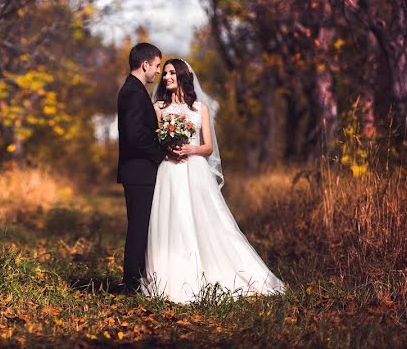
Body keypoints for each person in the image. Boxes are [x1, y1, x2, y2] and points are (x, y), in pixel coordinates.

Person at [143, 58, 286, 302]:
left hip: (195, 170)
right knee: (173, 218)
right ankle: (171, 275)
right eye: (164, 73)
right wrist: (169, 149)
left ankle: (217, 269)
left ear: (183, 77)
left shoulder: (200, 109)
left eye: (171, 73)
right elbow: (156, 141)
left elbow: (208, 147)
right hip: (169, 170)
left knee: (207, 220)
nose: (166, 77)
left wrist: (190, 149)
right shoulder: (158, 107)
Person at [116, 42, 165, 294]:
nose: (158, 71)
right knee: (138, 226)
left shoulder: (133, 90)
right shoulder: (133, 92)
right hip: (139, 172)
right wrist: (160, 155)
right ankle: (130, 284)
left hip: (137, 171)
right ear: (145, 64)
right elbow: (136, 137)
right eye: (156, 66)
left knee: (140, 225)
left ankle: (134, 280)